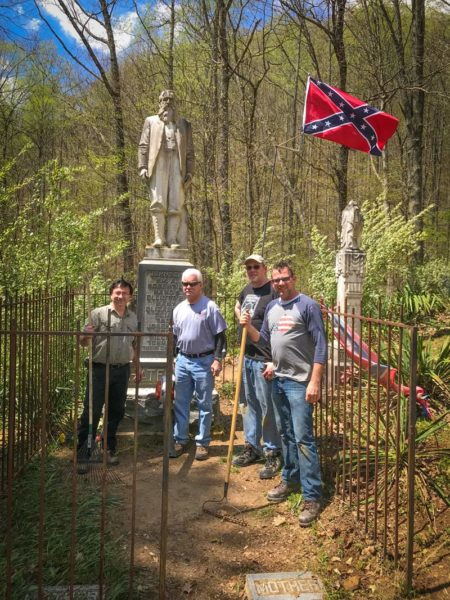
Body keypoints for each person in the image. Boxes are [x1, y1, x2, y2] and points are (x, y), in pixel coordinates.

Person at [240, 261, 327, 527]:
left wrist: (315, 381)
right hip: (278, 378)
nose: (280, 284)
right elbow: (264, 339)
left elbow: (321, 346)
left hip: (299, 383)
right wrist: (246, 326)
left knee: (303, 439)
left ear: (294, 278)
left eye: (284, 279)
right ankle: (290, 480)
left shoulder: (307, 306)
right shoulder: (272, 307)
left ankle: (312, 495)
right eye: (276, 280)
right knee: (286, 434)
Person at [77, 279, 143, 474]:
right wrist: (86, 335)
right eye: (117, 292)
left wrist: (137, 367)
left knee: (115, 411)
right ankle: (84, 453)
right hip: (99, 369)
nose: (120, 296)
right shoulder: (98, 314)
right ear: (111, 294)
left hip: (122, 370)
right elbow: (82, 342)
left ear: (130, 296)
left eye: (124, 293)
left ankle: (108, 447)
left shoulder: (132, 318)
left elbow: (134, 345)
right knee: (92, 411)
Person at [232, 254, 282, 479]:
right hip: (248, 357)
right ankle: (252, 446)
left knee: (267, 407)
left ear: (265, 268)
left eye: (256, 267)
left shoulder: (273, 292)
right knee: (248, 404)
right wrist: (239, 314)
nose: (252, 270)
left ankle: (272, 451)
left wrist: (273, 359)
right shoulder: (246, 291)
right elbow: (238, 306)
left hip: (265, 358)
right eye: (248, 267)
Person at [171, 268, 227, 461]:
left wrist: (218, 359)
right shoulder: (178, 309)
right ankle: (180, 439)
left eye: (192, 284)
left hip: (204, 361)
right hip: (183, 360)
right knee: (181, 403)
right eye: (185, 284)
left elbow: (220, 336)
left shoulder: (210, 307)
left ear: (200, 285)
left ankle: (202, 443)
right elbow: (174, 338)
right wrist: (174, 360)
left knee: (204, 404)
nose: (188, 287)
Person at [138, 89, 195, 249]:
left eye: (171, 100)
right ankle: (159, 238)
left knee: (176, 202)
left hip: (177, 164)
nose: (168, 103)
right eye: (165, 100)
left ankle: (172, 239)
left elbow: (190, 151)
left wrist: (190, 171)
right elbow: (143, 145)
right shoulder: (150, 121)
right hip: (158, 163)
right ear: (159, 102)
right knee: (158, 200)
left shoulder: (184, 125)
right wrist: (142, 166)